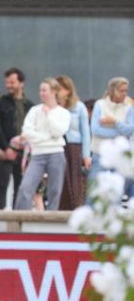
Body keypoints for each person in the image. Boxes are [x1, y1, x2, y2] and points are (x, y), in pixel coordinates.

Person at [14, 78, 71, 210]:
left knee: (54, 191)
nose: (41, 93)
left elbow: (58, 132)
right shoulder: (34, 110)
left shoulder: (63, 113)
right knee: (25, 188)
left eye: (44, 90)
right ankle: (20, 219)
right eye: (41, 90)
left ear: (54, 92)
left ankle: (51, 222)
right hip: (37, 154)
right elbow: (26, 132)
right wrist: (46, 137)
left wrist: (49, 115)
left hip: (56, 154)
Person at [0, 68, 34, 209]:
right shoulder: (1, 103)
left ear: (21, 83)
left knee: (21, 185)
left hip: (24, 152)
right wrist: (7, 148)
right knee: (1, 185)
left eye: (12, 82)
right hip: (6, 152)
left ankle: (17, 217)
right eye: (7, 82)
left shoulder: (30, 106)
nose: (8, 85)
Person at [88, 77, 134, 195]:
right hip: (99, 153)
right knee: (94, 188)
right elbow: (96, 130)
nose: (124, 94)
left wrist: (115, 122)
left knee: (117, 191)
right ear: (113, 90)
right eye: (121, 91)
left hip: (120, 156)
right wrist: (120, 132)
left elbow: (130, 130)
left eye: (126, 91)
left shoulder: (128, 108)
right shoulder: (100, 105)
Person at [55, 75, 91, 210]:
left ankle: (76, 209)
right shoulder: (53, 107)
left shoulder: (79, 107)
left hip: (74, 148)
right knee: (60, 180)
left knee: (75, 180)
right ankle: (59, 209)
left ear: (68, 90)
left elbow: (86, 132)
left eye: (60, 88)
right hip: (58, 146)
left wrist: (86, 155)